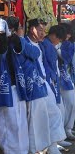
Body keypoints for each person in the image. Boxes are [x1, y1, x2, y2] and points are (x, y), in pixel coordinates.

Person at [26, 19, 66, 154]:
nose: (43, 34)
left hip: (45, 82)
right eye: (40, 30)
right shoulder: (24, 43)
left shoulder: (42, 44)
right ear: (32, 29)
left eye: (44, 31)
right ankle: (35, 149)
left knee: (54, 113)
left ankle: (52, 146)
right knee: (36, 118)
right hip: (32, 84)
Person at [0, 17, 29, 154]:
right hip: (4, 84)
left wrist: (9, 35)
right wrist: (1, 34)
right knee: (8, 119)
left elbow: (20, 47)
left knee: (21, 120)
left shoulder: (14, 39)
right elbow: (0, 54)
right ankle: (10, 150)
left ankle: (22, 150)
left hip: (17, 84)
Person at [57, 23, 75, 141]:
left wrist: (58, 49)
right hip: (59, 78)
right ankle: (62, 131)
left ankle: (67, 128)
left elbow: (67, 59)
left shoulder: (69, 45)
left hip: (67, 77)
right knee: (62, 106)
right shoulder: (56, 44)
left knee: (70, 104)